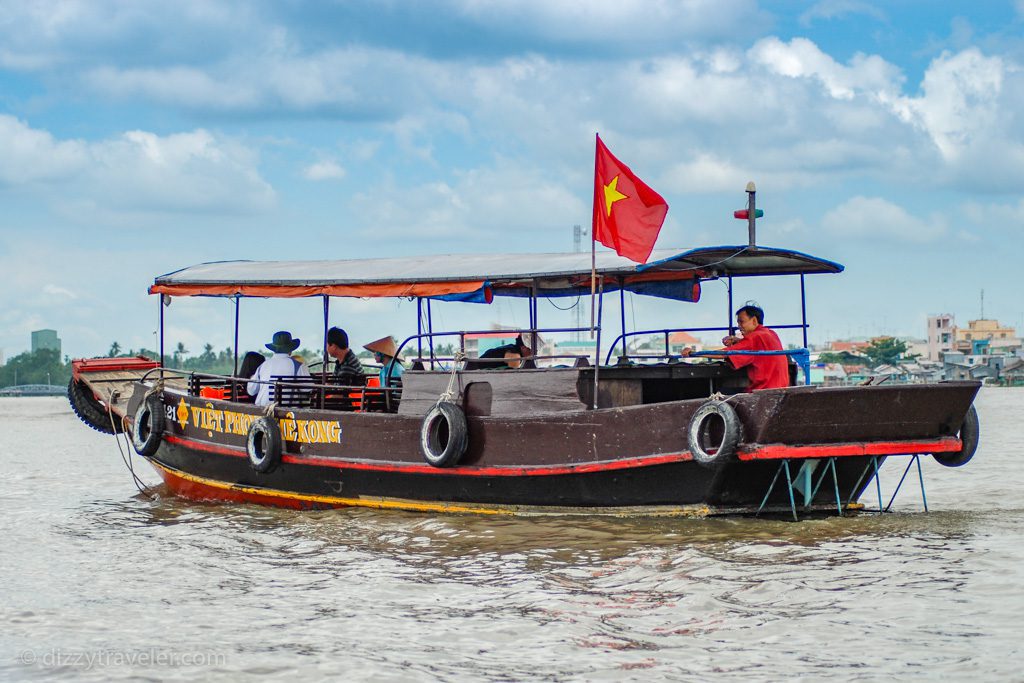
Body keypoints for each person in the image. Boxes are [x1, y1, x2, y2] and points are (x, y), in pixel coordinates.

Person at [682, 304, 789, 392]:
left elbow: (724, 353)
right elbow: (758, 348)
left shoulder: (754, 337)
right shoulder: (771, 334)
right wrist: (738, 341)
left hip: (763, 390)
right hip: (781, 388)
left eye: (741, 321)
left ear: (754, 321)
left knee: (720, 393)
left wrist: (695, 353)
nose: (738, 326)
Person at [247, 331, 312, 406]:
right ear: (290, 349)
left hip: (262, 411)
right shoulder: (298, 366)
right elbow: (308, 389)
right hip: (289, 413)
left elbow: (251, 391)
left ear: (273, 349)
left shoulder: (263, 366)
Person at [464, 333, 533, 370]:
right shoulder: (514, 355)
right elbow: (513, 377)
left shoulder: (512, 348)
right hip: (476, 372)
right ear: (523, 348)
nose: (532, 353)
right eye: (530, 350)